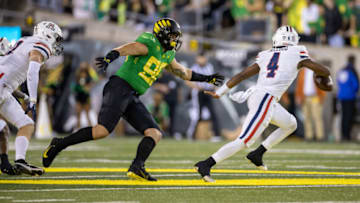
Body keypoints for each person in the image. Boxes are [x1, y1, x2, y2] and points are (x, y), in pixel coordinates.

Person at [42, 18, 224, 181]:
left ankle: (137, 167)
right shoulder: (150, 43)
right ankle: (59, 144)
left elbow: (183, 72)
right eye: (173, 36)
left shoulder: (167, 54)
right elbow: (131, 47)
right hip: (119, 87)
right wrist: (111, 55)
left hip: (131, 95)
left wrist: (206, 78)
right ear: (163, 35)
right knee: (102, 130)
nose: (176, 40)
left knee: (155, 133)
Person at [195, 25, 332, 182]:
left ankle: (258, 153)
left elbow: (241, 75)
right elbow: (323, 70)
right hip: (265, 99)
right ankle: (206, 164)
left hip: (260, 96)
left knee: (290, 124)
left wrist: (220, 92)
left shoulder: (266, 54)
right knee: (244, 141)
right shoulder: (297, 51)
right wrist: (326, 77)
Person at [0, 21, 63, 176]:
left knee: (26, 124)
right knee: (2, 128)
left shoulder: (23, 41)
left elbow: (7, 77)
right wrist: (34, 99)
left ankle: (18, 161)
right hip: (3, 89)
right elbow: (32, 72)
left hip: (4, 90)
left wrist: (24, 96)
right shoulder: (42, 46)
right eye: (56, 38)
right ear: (48, 35)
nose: (55, 43)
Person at [186, 53, 222, 141]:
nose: (202, 60)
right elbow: (187, 80)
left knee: (213, 113)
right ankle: (192, 135)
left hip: (208, 92)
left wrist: (215, 87)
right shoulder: (194, 68)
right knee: (198, 114)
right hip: (199, 93)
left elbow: (213, 79)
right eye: (200, 58)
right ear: (197, 58)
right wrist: (196, 87)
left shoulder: (209, 67)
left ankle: (216, 135)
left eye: (203, 58)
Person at [337, 55, 359, 141]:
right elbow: (356, 85)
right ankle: (348, 136)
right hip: (350, 97)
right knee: (349, 117)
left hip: (341, 97)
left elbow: (338, 82)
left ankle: (343, 135)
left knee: (343, 117)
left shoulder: (342, 70)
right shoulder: (352, 71)